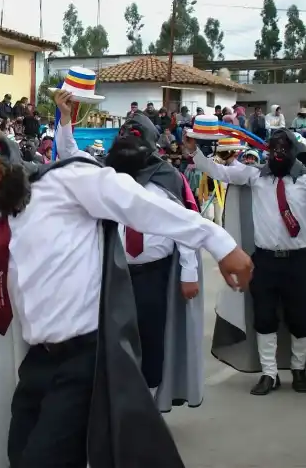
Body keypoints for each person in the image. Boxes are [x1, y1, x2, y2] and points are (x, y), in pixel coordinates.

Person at [0, 119, 253, 468]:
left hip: (88, 358)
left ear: (12, 149)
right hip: (37, 362)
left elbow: (145, 208)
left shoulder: (69, 182)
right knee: (19, 452)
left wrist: (221, 244)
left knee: (46, 459)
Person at [187, 129, 306, 395]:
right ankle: (269, 374)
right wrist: (194, 152)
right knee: (264, 317)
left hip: (299, 261)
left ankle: (298, 369)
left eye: (284, 147)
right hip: (265, 261)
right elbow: (220, 172)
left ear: (295, 151)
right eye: (274, 148)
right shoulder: (256, 175)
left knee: (301, 319)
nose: (279, 153)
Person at [55, 101, 207, 412]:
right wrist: (67, 118)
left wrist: (189, 273)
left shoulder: (168, 179)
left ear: (150, 144)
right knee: (113, 342)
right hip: (113, 273)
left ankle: (147, 411)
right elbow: (71, 154)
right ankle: (119, 408)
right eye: (124, 135)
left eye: (136, 136)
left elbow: (185, 227)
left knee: (151, 342)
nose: (128, 141)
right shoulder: (106, 174)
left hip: (155, 275)